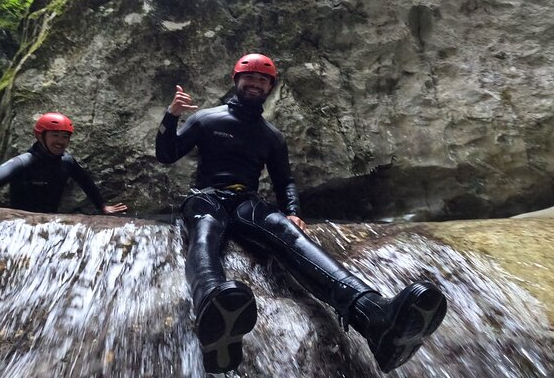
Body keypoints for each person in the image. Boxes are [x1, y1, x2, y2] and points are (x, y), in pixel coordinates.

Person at [155, 54, 447, 374]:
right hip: (206, 197)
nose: (255, 84)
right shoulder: (206, 120)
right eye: (249, 78)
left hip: (246, 202)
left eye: (262, 80)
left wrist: (292, 212)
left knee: (286, 231)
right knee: (206, 230)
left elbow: (284, 181)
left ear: (270, 86)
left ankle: (374, 316)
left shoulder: (271, 136)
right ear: (235, 80)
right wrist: (171, 117)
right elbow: (167, 154)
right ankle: (213, 306)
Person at [0, 112, 127, 215]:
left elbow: (86, 182)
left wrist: (102, 206)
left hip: (50, 222)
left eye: (65, 137)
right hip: (20, 222)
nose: (60, 142)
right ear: (40, 136)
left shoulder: (67, 161)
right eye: (55, 135)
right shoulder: (24, 162)